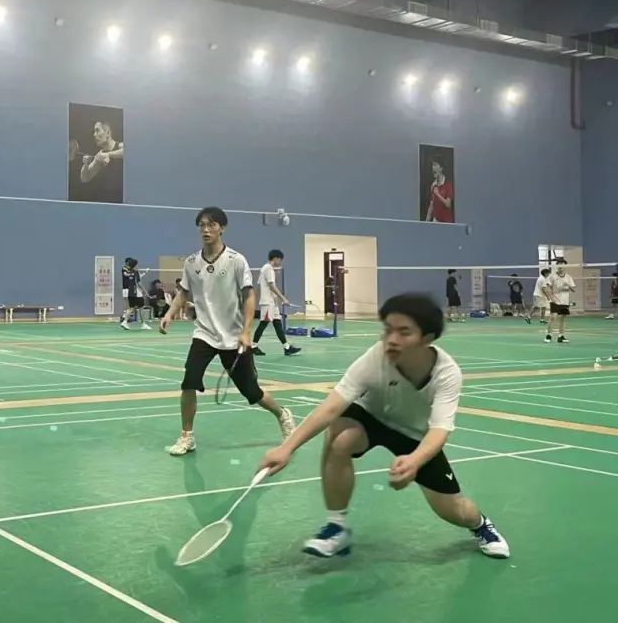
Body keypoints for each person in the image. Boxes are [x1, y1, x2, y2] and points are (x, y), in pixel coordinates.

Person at [257, 293, 510, 560]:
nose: (392, 339)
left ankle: (480, 525)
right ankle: (336, 527)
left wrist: (414, 461)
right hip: (370, 416)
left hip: (415, 435)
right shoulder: (376, 356)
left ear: (427, 338)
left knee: (454, 510)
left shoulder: (447, 373)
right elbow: (332, 406)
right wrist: (287, 448)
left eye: (404, 332)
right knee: (339, 438)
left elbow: (439, 430)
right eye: (388, 329)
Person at [159, 206, 295, 457]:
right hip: (204, 333)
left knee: (251, 392)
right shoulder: (191, 263)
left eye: (211, 225)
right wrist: (169, 314)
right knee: (189, 382)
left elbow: (249, 296)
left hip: (233, 336)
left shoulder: (236, 260)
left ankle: (282, 414)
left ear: (222, 228)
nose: (206, 229)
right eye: (202, 225)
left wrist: (246, 331)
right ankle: (187, 436)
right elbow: (184, 293)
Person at [252, 249, 301, 356]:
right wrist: (283, 298)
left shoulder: (265, 268)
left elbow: (259, 285)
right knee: (263, 324)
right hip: (268, 303)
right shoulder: (268, 268)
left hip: (272, 303)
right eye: (280, 260)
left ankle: (287, 347)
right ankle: (253, 346)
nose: (280, 262)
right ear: (275, 258)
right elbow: (271, 286)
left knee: (278, 325)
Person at [544, 259, 575, 344]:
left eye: (563, 265)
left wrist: (567, 284)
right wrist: (551, 298)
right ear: (557, 267)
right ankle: (549, 335)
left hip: (565, 301)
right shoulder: (552, 276)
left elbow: (573, 289)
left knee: (562, 318)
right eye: (559, 265)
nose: (561, 267)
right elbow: (547, 288)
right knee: (553, 317)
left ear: (565, 266)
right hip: (555, 300)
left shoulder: (569, 277)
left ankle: (561, 336)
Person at [120, 257, 151, 330]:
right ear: (135, 265)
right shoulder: (135, 272)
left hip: (130, 292)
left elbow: (129, 275)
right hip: (136, 292)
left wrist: (144, 273)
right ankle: (143, 324)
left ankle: (125, 322)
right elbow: (139, 283)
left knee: (132, 308)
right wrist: (145, 292)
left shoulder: (128, 271)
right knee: (141, 307)